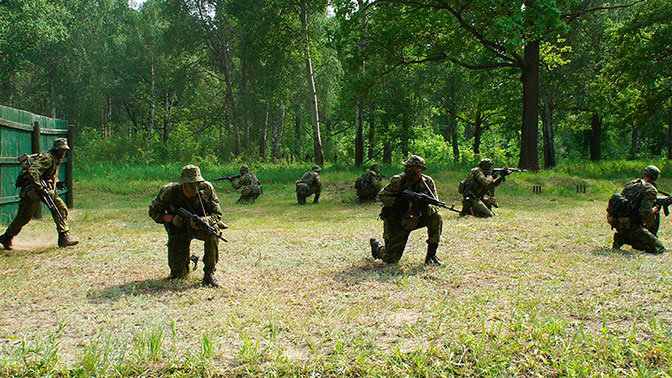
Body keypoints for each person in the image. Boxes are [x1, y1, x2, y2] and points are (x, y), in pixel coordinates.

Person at [149, 165, 226, 287]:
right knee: (179, 275)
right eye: (191, 184)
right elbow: (153, 212)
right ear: (183, 183)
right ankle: (191, 260)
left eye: (197, 183)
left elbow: (217, 214)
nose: (195, 187)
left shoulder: (206, 188)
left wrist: (203, 221)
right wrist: (172, 219)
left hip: (200, 227)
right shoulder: (169, 191)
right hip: (178, 229)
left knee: (213, 231)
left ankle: (209, 273)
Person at [0, 138, 78, 250]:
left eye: (65, 150)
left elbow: (47, 174)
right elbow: (33, 171)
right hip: (33, 190)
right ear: (56, 150)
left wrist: (57, 182)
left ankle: (7, 237)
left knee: (25, 216)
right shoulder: (47, 158)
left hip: (36, 189)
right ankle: (63, 237)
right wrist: (39, 188)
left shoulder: (55, 159)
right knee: (56, 209)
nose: (63, 153)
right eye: (61, 150)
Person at [369, 155, 443, 265]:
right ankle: (377, 246)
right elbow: (382, 196)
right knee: (391, 259)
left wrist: (425, 207)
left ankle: (431, 256)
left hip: (416, 218)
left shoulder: (427, 182)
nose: (407, 169)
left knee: (436, 217)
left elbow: (436, 204)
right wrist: (398, 202)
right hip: (398, 221)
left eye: (412, 167)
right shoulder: (398, 180)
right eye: (407, 166)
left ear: (420, 169)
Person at [610, 165, 665, 254]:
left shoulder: (630, 184)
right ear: (655, 178)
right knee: (659, 248)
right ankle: (632, 239)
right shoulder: (650, 190)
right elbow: (645, 213)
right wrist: (656, 208)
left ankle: (621, 237)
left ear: (644, 173)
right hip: (633, 226)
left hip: (618, 223)